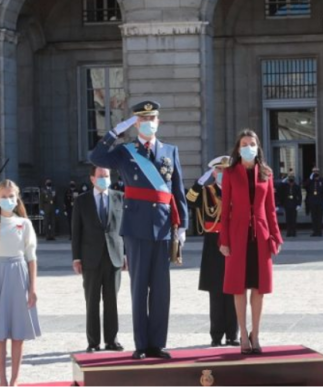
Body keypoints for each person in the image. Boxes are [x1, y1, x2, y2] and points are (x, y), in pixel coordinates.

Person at [90, 101, 188, 360]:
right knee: (139, 287)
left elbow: (177, 189)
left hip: (164, 226)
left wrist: (183, 226)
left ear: (159, 121)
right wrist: (115, 132)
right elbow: (96, 157)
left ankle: (158, 342)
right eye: (142, 119)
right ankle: (142, 344)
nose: (147, 122)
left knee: (161, 289)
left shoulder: (170, 150)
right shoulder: (126, 151)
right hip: (136, 226)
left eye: (152, 117)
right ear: (135, 123)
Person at [219, 129, 283, 356]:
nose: (248, 147)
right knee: (239, 288)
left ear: (258, 147)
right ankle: (243, 336)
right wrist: (223, 239)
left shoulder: (266, 172)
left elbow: (270, 209)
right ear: (238, 148)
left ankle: (256, 334)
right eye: (244, 144)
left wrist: (276, 236)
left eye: (252, 143)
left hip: (261, 236)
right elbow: (224, 209)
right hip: (237, 236)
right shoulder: (229, 173)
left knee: (259, 288)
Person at [0, 180, 41, 386]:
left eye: (11, 196)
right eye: (3, 196)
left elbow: (31, 257)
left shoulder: (25, 224)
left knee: (18, 331)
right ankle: (2, 380)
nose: (8, 200)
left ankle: (14, 380)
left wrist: (32, 288)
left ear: (17, 198)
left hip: (18, 276)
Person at [72, 166, 125, 353]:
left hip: (114, 257)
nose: (104, 179)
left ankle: (112, 339)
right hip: (90, 258)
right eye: (101, 176)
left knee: (112, 300)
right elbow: (76, 231)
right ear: (92, 179)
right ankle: (93, 342)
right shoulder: (82, 201)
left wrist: (125, 254)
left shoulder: (119, 197)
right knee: (92, 300)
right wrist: (76, 257)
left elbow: (124, 228)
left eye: (107, 176)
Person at [187, 155, 239, 347]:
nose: (223, 174)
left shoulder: (237, 191)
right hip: (213, 245)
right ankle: (216, 335)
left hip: (234, 245)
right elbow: (189, 200)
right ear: (214, 172)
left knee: (234, 291)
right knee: (216, 293)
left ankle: (233, 335)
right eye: (220, 170)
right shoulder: (207, 191)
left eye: (227, 170)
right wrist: (200, 182)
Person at [304, 167, 323, 237]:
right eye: (314, 171)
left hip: (320, 201)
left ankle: (319, 231)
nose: (315, 173)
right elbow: (304, 186)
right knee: (313, 217)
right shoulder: (311, 181)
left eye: (316, 171)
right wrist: (310, 178)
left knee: (319, 217)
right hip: (312, 201)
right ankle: (314, 231)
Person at [277, 172, 301, 237]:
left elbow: (299, 196)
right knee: (288, 219)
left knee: (293, 219)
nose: (291, 179)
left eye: (292, 178)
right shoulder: (285, 186)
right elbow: (279, 186)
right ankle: (289, 232)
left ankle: (294, 232)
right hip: (287, 204)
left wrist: (299, 204)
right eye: (290, 178)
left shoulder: (296, 186)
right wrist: (285, 179)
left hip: (294, 204)